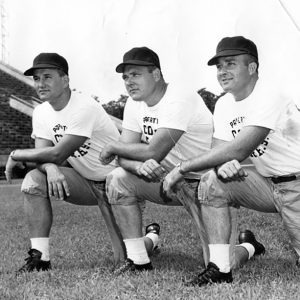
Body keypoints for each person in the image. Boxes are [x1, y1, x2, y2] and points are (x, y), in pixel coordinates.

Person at [100, 46, 264, 275]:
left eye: (136, 74)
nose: (129, 82)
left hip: (203, 184)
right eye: (125, 77)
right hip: (165, 179)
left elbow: (153, 151)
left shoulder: (179, 96)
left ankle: (248, 246)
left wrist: (114, 146)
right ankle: (139, 259)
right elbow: (123, 158)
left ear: (156, 74)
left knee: (221, 263)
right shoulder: (133, 103)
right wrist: (138, 166)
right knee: (117, 179)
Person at [163, 36, 300, 286]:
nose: (222, 71)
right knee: (212, 181)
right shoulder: (225, 104)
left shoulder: (271, 94)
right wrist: (222, 165)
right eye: (219, 66)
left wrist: (182, 167)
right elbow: (220, 151)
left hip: (297, 185)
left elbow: (240, 147)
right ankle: (220, 269)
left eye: (230, 64)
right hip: (267, 184)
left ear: (252, 67)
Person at [4, 53, 127, 274]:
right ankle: (40, 257)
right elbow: (45, 156)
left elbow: (59, 153)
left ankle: (150, 238)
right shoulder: (41, 111)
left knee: (127, 256)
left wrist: (16, 154)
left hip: (118, 183)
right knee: (33, 181)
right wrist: (50, 169)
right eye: (37, 78)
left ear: (65, 80)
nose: (40, 84)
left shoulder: (84, 106)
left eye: (47, 77)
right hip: (85, 182)